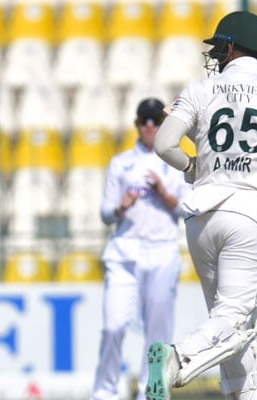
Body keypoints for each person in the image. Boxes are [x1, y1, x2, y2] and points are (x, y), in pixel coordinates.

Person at [149, 11, 257, 400]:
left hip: (201, 217)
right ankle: (178, 358)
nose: (215, 54)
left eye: (218, 46)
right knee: (236, 324)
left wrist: (192, 168)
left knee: (231, 327)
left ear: (229, 46)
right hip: (247, 212)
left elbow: (163, 145)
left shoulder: (199, 90)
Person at [90, 97, 192, 400]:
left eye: (156, 120)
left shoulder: (177, 163)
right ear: (137, 124)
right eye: (144, 120)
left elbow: (187, 209)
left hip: (161, 251)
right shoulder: (121, 163)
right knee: (114, 326)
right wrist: (121, 207)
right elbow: (105, 213)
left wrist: (163, 193)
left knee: (157, 333)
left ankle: (151, 392)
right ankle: (104, 392)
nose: (150, 126)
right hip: (124, 251)